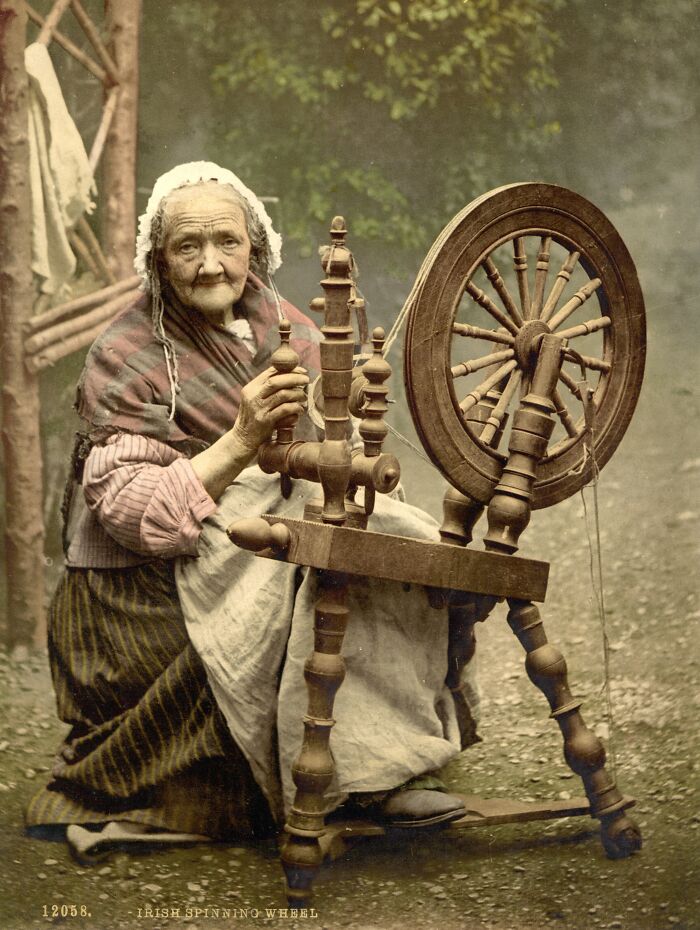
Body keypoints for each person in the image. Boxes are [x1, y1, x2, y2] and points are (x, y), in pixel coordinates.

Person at [26, 162, 476, 854]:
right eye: (188, 248)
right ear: (158, 261)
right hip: (136, 587)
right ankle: (346, 782)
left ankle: (385, 757)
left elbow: (326, 431)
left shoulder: (274, 316)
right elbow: (132, 515)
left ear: (255, 248)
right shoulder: (125, 353)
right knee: (301, 573)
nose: (211, 266)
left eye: (227, 243)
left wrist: (347, 404)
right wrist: (241, 438)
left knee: (391, 538)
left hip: (235, 529)